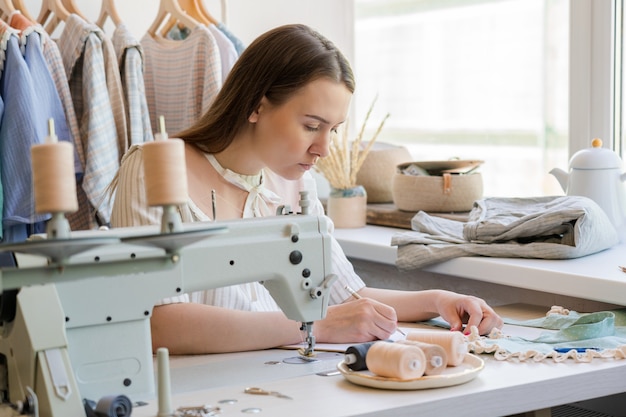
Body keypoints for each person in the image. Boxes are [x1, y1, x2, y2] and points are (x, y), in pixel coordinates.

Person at [110, 23, 503, 355]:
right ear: (257, 105)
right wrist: (310, 326)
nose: (323, 149)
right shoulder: (153, 168)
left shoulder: (295, 182)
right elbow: (157, 324)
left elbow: (343, 298)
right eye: (312, 126)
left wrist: (438, 300)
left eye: (333, 130)